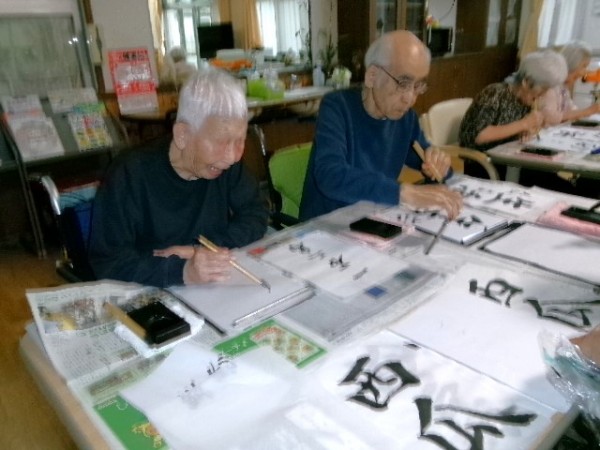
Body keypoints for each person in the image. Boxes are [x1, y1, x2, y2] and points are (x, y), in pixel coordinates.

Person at [89, 68, 268, 288]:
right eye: (221, 142)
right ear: (183, 135)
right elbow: (109, 263)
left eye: (240, 141)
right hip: (152, 289)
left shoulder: (223, 163)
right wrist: (183, 271)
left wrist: (203, 250)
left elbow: (256, 213)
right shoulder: (129, 174)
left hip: (214, 287)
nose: (232, 156)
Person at [299, 30, 463, 222]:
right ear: (372, 76)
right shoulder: (337, 107)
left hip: (372, 219)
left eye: (418, 86)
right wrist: (403, 192)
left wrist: (439, 165)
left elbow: (427, 160)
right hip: (327, 225)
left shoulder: (406, 118)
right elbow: (330, 175)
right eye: (403, 83)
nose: (410, 98)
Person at [458, 50, 568, 182]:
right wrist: (524, 124)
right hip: (485, 166)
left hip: (511, 163)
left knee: (557, 183)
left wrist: (526, 132)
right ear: (526, 82)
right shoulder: (494, 94)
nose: (543, 94)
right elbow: (479, 136)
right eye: (543, 89)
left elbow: (515, 133)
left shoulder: (526, 100)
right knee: (551, 184)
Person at [541, 41, 600, 126]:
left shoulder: (564, 88)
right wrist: (587, 111)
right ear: (571, 64)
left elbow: (572, 109)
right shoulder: (551, 86)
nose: (584, 72)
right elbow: (550, 117)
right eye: (583, 66)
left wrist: (591, 111)